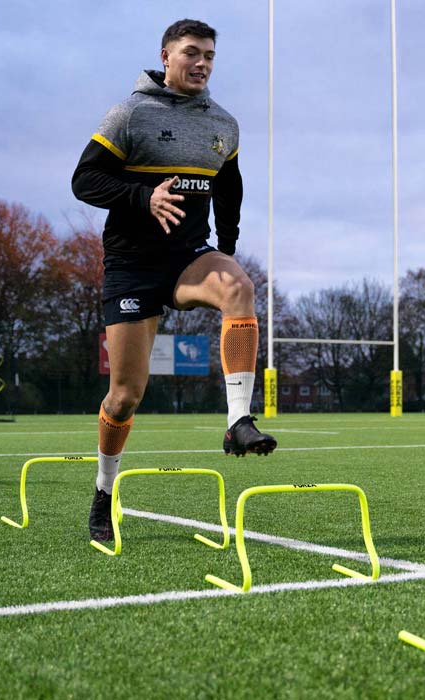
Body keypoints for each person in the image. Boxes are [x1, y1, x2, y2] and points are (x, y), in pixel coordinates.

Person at [72, 18, 276, 543]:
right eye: (191, 53)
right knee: (125, 396)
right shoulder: (131, 113)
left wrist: (224, 249)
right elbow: (85, 179)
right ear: (166, 56)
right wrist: (144, 197)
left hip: (188, 257)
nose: (202, 62)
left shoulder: (224, 125)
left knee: (239, 287)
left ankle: (237, 423)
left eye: (209, 55)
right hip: (132, 264)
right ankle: (103, 492)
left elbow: (229, 187)